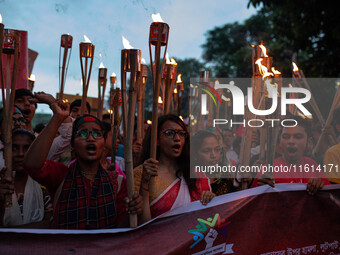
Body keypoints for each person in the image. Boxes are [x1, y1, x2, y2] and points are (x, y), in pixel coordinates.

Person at [23, 99, 142, 229]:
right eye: (83, 133)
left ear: (103, 145)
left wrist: (134, 209)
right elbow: (31, 164)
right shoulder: (60, 175)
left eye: (97, 134)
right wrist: (57, 118)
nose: (90, 138)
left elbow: (120, 228)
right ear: (72, 144)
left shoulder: (118, 183)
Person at [134, 114, 215, 221]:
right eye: (169, 133)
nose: (177, 138)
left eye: (181, 134)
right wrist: (144, 188)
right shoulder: (141, 173)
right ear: (156, 140)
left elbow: (207, 218)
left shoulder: (196, 174)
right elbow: (141, 225)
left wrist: (211, 200)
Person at [255, 116, 330, 195]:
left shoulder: (312, 165)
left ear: (308, 141)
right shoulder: (267, 170)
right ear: (279, 141)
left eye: (298, 137)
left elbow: (330, 196)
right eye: (286, 137)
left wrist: (320, 185)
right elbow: (253, 200)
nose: (291, 141)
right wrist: (261, 188)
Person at [0, 129, 52, 228]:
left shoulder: (44, 186)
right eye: (14, 148)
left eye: (27, 148)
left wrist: (11, 232)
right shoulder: (2, 185)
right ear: (5, 152)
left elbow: (49, 224)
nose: (20, 154)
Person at [191, 130, 236, 196]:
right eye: (206, 151)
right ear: (195, 155)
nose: (214, 155)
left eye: (217, 150)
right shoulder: (189, 183)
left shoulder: (226, 178)